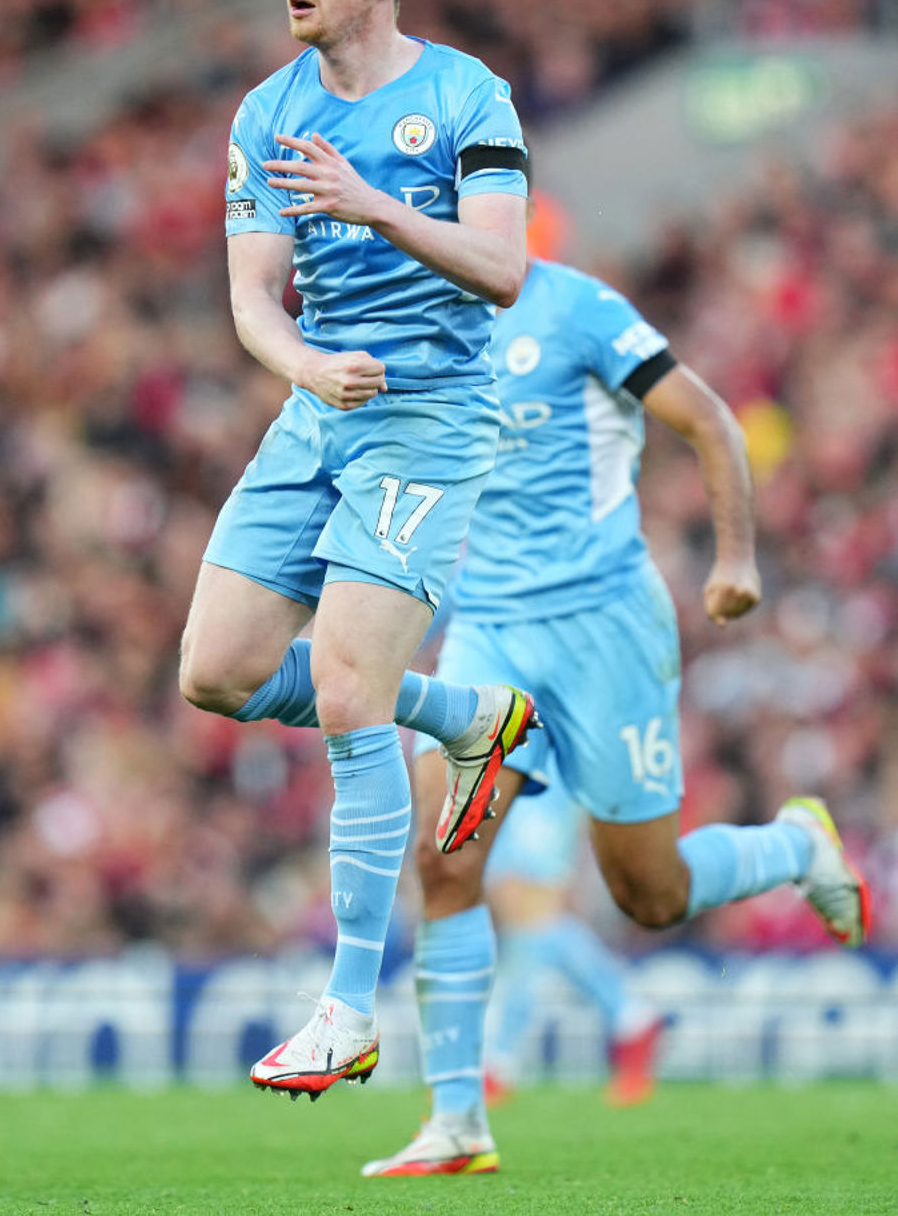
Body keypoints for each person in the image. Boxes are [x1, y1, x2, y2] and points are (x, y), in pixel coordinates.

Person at [361, 230, 872, 1177]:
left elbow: (711, 421)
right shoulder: (421, 333)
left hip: (605, 628)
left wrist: (735, 558)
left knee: (650, 893)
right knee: (444, 856)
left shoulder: (579, 310)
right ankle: (459, 1119)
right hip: (493, 633)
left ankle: (795, 846)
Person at [177, 0, 537, 1101]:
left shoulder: (466, 96)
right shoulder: (265, 111)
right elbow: (248, 299)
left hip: (431, 418)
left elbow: (502, 269)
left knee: (341, 690)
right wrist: (305, 363)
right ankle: (463, 717)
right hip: (320, 404)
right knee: (212, 671)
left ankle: (345, 1008)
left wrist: (375, 205)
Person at [481, 783, 663, 1111]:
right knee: (529, 925)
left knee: (528, 914)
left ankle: (499, 1061)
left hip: (536, 777)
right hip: (505, 777)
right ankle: (630, 1014)